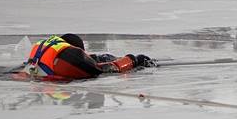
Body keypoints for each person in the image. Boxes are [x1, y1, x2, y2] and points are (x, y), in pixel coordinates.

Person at [22, 34, 154, 82]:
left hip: (44, 73)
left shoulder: (41, 49)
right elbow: (101, 70)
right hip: (67, 66)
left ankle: (100, 57)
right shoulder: (72, 55)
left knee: (100, 59)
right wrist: (133, 60)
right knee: (99, 71)